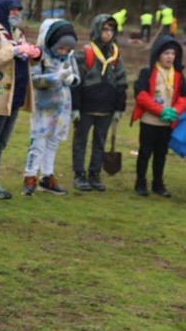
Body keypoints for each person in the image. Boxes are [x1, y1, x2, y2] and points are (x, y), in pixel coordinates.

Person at [0, 0, 38, 199]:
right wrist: (14, 51)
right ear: (2, 9)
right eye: (12, 9)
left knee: (1, 143)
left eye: (18, 10)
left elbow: (22, 57)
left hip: (16, 97)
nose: (16, 13)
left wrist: (34, 54)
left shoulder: (17, 33)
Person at [21, 19, 80, 195]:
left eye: (67, 49)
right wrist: (55, 77)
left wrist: (72, 79)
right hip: (43, 107)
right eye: (61, 48)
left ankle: (47, 176)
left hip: (63, 108)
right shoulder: (40, 56)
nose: (64, 52)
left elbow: (76, 77)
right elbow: (34, 79)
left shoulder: (69, 57)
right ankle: (30, 176)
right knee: (38, 142)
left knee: (53, 142)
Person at [71, 14, 127, 192]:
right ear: (97, 30)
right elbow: (75, 82)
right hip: (86, 107)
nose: (108, 33)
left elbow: (121, 81)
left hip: (107, 108)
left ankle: (94, 173)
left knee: (100, 142)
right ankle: (79, 174)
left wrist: (119, 107)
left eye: (111, 30)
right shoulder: (85, 53)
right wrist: (75, 107)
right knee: (80, 141)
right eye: (105, 29)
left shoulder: (115, 55)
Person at [130, 35, 186, 197]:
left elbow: (183, 97)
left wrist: (175, 110)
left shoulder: (178, 76)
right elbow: (141, 95)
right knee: (145, 152)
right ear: (158, 55)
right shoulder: (147, 72)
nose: (170, 57)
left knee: (161, 154)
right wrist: (159, 110)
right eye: (166, 53)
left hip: (167, 122)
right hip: (149, 120)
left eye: (173, 54)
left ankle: (158, 183)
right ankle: (140, 182)